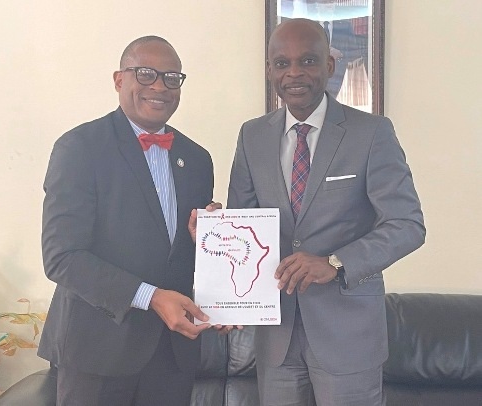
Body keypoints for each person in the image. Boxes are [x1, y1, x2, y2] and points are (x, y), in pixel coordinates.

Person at [226, 19, 425, 406]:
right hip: (276, 336)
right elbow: (244, 225)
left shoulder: (371, 132)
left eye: (308, 60)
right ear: (269, 70)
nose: (294, 73)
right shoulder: (252, 135)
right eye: (282, 63)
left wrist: (335, 262)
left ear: (329, 65)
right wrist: (216, 231)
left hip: (348, 336)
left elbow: (407, 225)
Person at [38, 35, 215, 406]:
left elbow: (184, 255)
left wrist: (210, 244)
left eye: (171, 78)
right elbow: (62, 257)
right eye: (146, 74)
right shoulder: (79, 148)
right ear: (119, 80)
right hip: (97, 353)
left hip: (172, 355)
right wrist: (151, 297)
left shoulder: (197, 159)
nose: (160, 87)